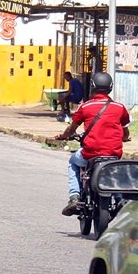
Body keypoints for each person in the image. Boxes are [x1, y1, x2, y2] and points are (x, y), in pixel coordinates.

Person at [55, 71, 129, 215]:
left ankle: (74, 197)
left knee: (73, 162)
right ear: (110, 87)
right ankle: (119, 198)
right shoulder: (120, 108)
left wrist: (64, 136)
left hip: (90, 154)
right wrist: (124, 138)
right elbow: (126, 132)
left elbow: (72, 128)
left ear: (93, 87)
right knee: (116, 170)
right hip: (113, 154)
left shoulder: (85, 107)